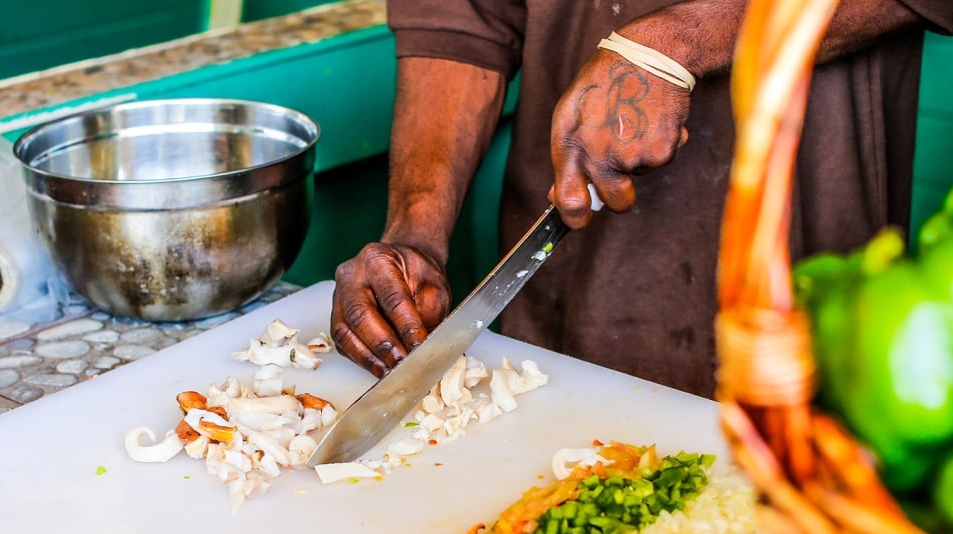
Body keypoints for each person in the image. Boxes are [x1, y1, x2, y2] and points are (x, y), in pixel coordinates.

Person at [329, 0, 953, 398]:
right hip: (558, 327)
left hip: (811, 308)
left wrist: (682, 39)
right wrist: (416, 230)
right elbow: (460, 22)